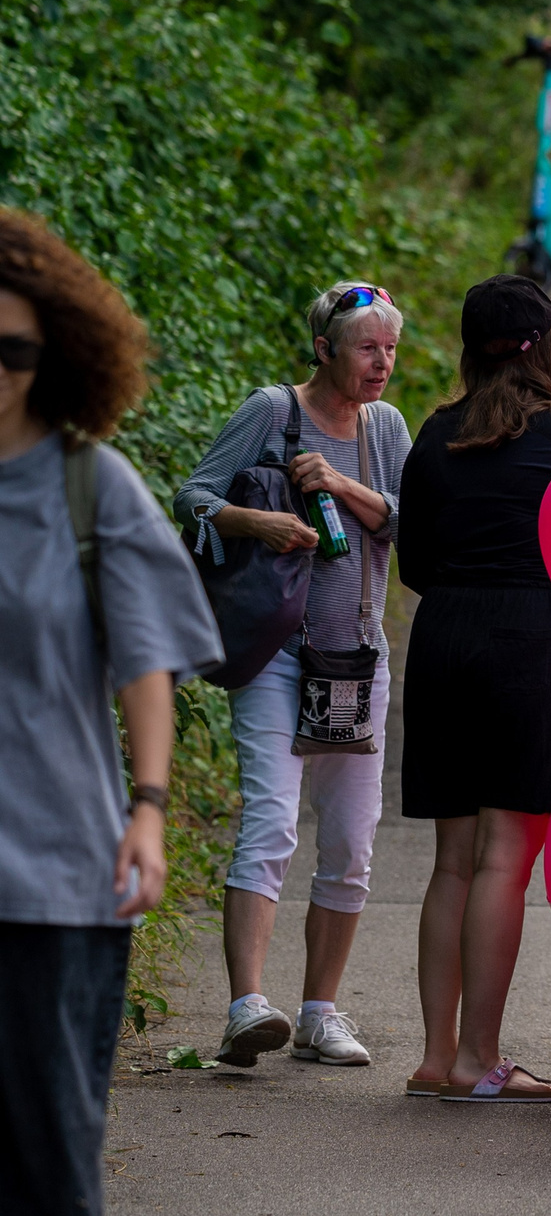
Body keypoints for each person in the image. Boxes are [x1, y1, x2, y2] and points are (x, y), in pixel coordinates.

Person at [0, 210, 223, 1216]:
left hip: (51, 881)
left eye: (11, 350)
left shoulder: (92, 487)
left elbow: (148, 657)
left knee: (48, 1166)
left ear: (52, 357)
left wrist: (148, 806)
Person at [177, 281, 411, 1070]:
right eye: (366, 348)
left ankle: (319, 1013)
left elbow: (413, 523)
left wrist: (341, 486)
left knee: (350, 843)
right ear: (324, 349)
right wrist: (257, 520)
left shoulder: (384, 428)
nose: (382, 364)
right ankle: (246, 1008)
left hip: (357, 656)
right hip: (278, 651)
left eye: (390, 348)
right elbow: (193, 496)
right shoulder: (270, 410)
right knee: (273, 820)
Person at [399, 277, 551, 1103]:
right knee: (504, 857)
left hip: (447, 637)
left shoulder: (436, 436)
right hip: (533, 641)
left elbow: (414, 561)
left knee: (453, 858)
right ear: (548, 345)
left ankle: (435, 1053)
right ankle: (479, 1058)